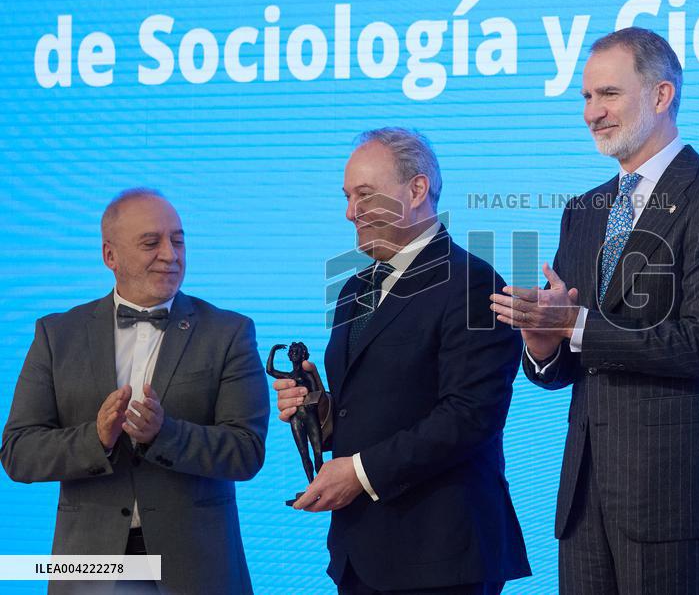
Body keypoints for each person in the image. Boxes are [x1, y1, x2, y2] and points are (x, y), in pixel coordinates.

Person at [490, 27, 699, 594]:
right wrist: (544, 345)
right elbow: (567, 364)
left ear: (661, 95)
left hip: (676, 501)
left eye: (608, 94)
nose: (592, 113)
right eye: (587, 97)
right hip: (585, 499)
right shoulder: (584, 210)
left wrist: (576, 325)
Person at [273, 127, 530, 594]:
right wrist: (322, 413)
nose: (350, 212)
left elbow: (470, 415)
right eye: (347, 197)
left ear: (416, 190)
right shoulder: (354, 289)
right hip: (360, 553)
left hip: (440, 558)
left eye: (365, 195)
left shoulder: (472, 282)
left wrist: (359, 473)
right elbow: (371, 408)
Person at [1, 188, 269, 594]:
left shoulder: (229, 332)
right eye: (151, 243)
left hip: (197, 569)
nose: (170, 254)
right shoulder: (57, 335)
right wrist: (96, 438)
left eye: (178, 240)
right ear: (110, 256)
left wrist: (165, 434)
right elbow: (18, 453)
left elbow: (246, 451)